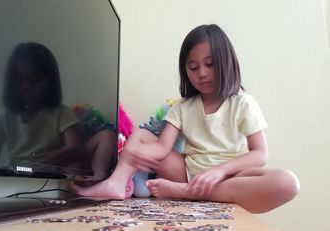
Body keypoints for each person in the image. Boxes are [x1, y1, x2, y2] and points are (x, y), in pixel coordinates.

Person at [71, 24, 300, 213]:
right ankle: (116, 184)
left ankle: (188, 193)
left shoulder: (242, 103)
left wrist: (219, 172)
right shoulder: (183, 107)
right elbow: (161, 148)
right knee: (141, 135)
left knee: (287, 182)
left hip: (232, 177)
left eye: (210, 64)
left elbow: (260, 154)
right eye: (193, 67)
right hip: (186, 174)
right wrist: (133, 155)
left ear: (226, 62)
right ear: (185, 71)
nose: (201, 73)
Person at [0, 42, 116, 181]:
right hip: (18, 172)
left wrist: (44, 161)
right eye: (19, 80)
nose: (26, 86)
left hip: (56, 167)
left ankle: (98, 180)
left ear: (50, 81)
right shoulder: (4, 116)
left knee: (107, 136)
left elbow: (75, 148)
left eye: (34, 79)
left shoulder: (61, 112)